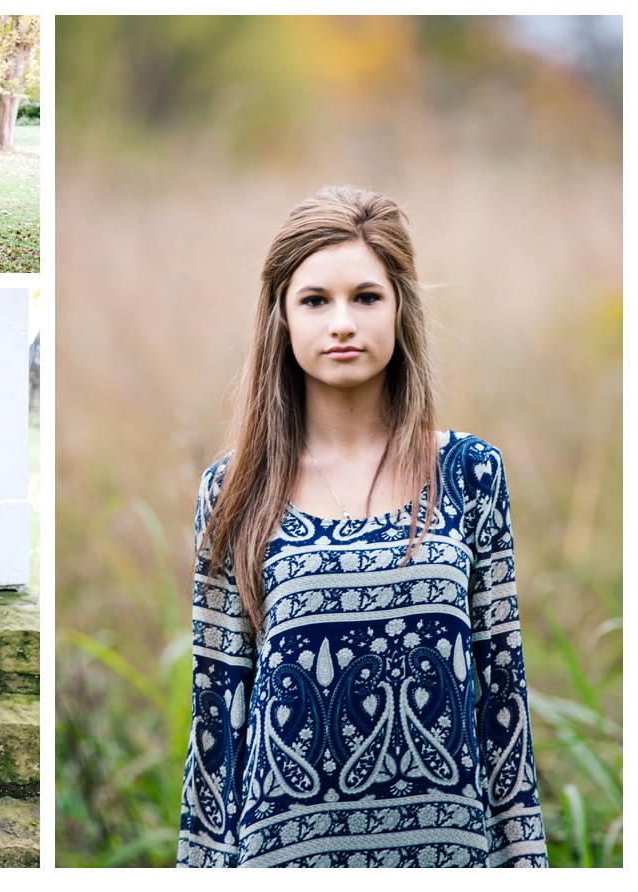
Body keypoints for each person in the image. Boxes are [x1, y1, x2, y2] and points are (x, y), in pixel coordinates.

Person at [177, 185, 548, 868]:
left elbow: (503, 696)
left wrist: (525, 864)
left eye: (366, 297)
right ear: (281, 320)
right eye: (315, 300)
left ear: (400, 307)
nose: (341, 322)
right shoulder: (234, 490)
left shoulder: (470, 472)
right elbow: (217, 716)